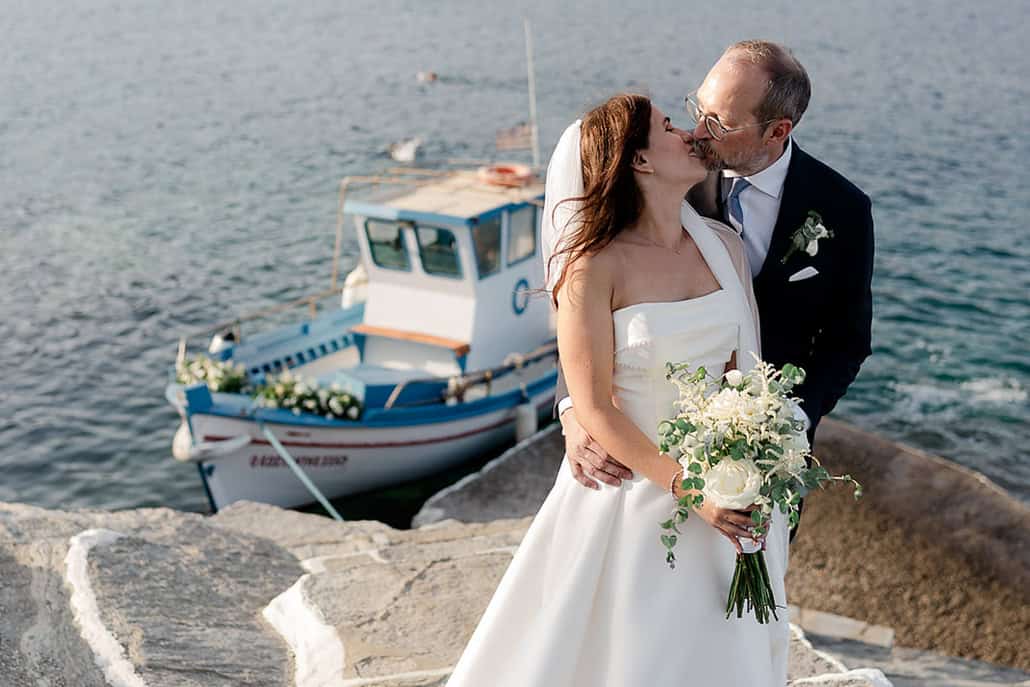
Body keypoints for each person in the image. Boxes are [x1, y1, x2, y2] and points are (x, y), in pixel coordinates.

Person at [446, 93, 789, 686]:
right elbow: (595, 406)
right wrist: (692, 490)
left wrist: (748, 466)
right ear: (641, 162)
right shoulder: (592, 268)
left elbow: (745, 374)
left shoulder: (724, 247)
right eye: (666, 126)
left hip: (729, 494)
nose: (687, 132)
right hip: (633, 496)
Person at [557, 41, 874, 542]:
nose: (697, 132)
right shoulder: (670, 177)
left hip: (766, 453)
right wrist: (575, 410)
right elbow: (592, 310)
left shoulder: (842, 210)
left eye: (720, 124)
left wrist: (790, 418)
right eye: (696, 109)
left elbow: (847, 341)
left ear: (777, 131)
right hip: (648, 454)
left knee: (751, 601)